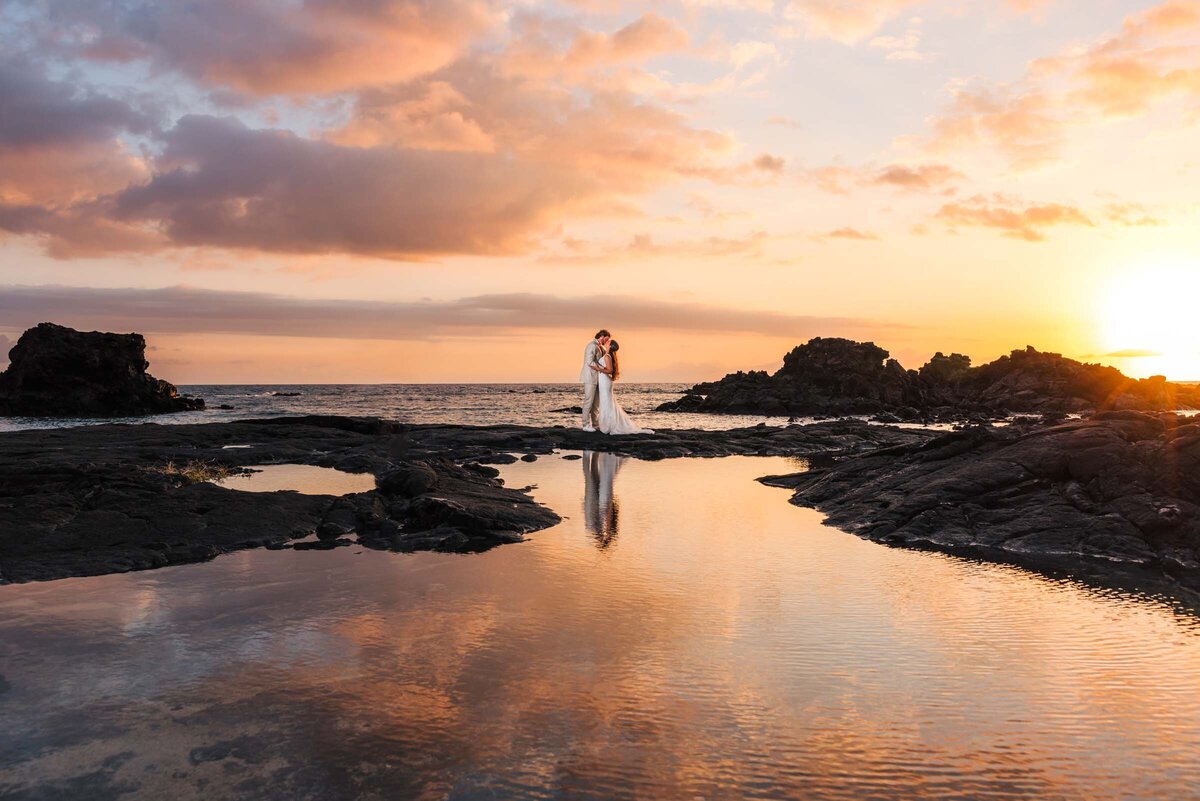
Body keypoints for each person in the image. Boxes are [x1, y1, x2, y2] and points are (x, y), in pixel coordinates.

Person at [590, 339, 654, 435]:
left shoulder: (607, 356)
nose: (606, 342)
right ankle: (606, 424)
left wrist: (597, 368)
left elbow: (610, 370)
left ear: (610, 346)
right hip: (603, 380)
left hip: (605, 381)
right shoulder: (606, 355)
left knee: (607, 401)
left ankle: (609, 425)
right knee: (606, 401)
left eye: (608, 342)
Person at [579, 329, 610, 431]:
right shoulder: (591, 346)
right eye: (606, 339)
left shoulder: (600, 347)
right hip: (590, 377)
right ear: (601, 336)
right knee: (588, 401)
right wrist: (602, 368)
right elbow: (589, 362)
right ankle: (585, 425)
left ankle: (595, 424)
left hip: (598, 378)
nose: (607, 341)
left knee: (596, 403)